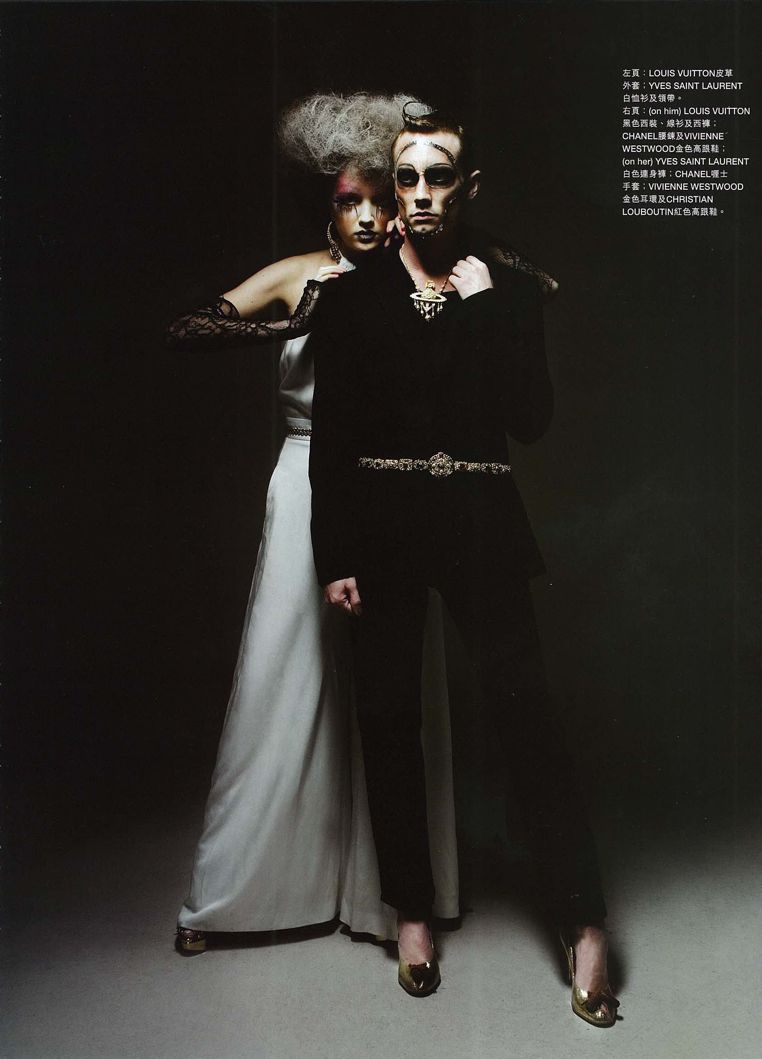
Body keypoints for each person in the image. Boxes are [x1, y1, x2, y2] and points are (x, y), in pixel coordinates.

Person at [308, 104, 619, 1024]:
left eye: (438, 176)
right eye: (405, 177)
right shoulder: (353, 296)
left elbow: (532, 421)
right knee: (387, 718)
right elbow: (333, 439)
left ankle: (585, 922)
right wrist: (336, 553)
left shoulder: (507, 291)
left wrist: (482, 308)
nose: (419, 195)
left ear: (467, 186)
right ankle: (411, 912)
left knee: (528, 719)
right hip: (383, 531)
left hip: (481, 525)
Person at [167, 93, 461, 953]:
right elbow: (184, 328)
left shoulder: (420, 273)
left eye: (379, 197)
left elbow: (521, 281)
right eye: (347, 201)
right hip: (305, 482)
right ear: (325, 207)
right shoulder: (299, 273)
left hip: (393, 490)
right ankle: (241, 897)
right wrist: (295, 320)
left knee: (395, 689)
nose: (367, 216)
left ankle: (396, 898)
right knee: (284, 670)